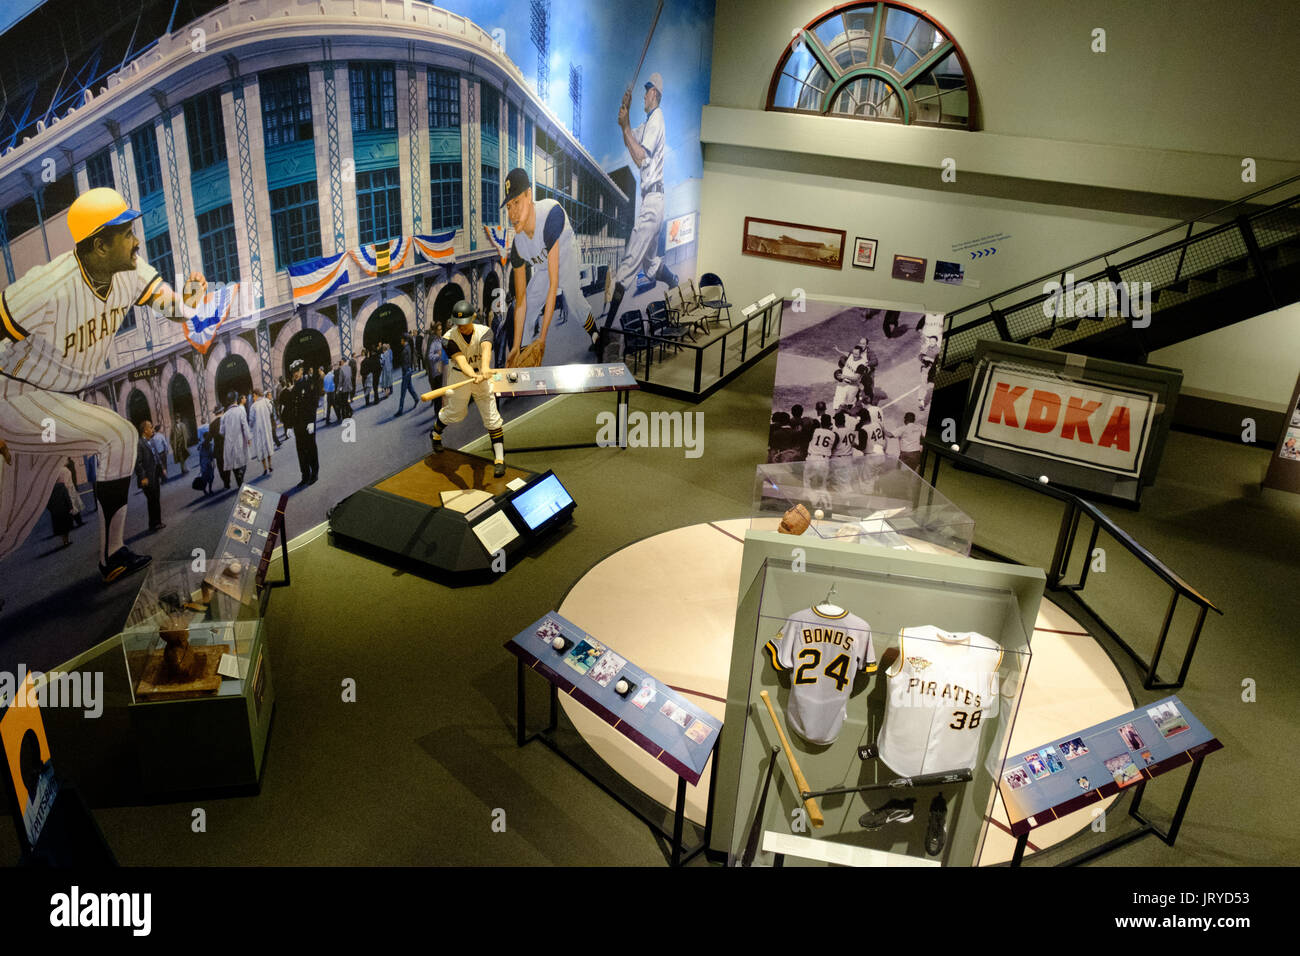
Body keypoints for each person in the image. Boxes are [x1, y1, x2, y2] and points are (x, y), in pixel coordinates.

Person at [0, 186, 206, 584]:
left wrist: (191, 299)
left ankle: (109, 554)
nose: (136, 240)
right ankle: (111, 556)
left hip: (57, 403)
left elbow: (172, 305)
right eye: (126, 232)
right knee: (118, 435)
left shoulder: (129, 272)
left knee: (10, 531)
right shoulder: (47, 286)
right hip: (15, 395)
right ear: (98, 244)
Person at [595, 72, 675, 347]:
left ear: (655, 93)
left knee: (629, 265)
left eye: (647, 90)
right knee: (649, 262)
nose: (644, 94)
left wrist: (627, 125)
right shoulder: (649, 122)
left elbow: (641, 155)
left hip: (652, 202)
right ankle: (674, 283)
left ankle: (604, 334)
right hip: (652, 200)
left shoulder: (658, 118)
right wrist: (625, 123)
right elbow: (633, 149)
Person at [500, 167, 594, 365]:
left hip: (566, 254)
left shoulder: (550, 214)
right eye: (509, 206)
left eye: (516, 202)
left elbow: (553, 286)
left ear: (529, 195)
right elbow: (521, 301)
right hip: (544, 267)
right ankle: (522, 364)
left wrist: (542, 338)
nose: (512, 212)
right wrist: (516, 345)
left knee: (573, 296)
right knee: (529, 307)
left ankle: (596, 336)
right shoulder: (518, 245)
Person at [427, 301, 506, 477]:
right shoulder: (448, 338)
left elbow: (486, 350)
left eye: (465, 323)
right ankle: (435, 434)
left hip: (482, 375)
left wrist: (485, 368)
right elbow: (462, 362)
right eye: (458, 324)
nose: (461, 327)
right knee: (456, 414)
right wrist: (473, 374)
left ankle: (500, 459)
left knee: (491, 416)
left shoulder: (485, 331)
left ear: (474, 318)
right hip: (460, 376)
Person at [284, 359, 320, 485]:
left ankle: (314, 472)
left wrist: (311, 421)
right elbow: (290, 409)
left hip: (308, 424)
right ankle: (305, 475)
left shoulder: (309, 383)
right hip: (298, 426)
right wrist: (288, 426)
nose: (295, 374)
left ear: (302, 370)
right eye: (293, 372)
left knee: (311, 449)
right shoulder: (293, 390)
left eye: (297, 371)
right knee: (301, 451)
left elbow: (313, 403)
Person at [134, 420, 166, 532]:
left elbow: (156, 456)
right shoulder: (139, 444)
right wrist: (143, 477)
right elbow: (138, 463)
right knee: (152, 500)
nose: (153, 430)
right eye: (150, 427)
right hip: (147, 478)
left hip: (155, 475)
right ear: (145, 430)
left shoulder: (151, 441)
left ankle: (157, 522)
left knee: (155, 499)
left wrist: (162, 468)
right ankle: (154, 524)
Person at [220, 392, 252, 487]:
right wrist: (248, 438)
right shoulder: (240, 411)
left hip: (229, 443)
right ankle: (241, 473)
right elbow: (245, 427)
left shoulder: (224, 416)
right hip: (240, 440)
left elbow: (221, 432)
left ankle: (239, 482)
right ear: (235, 399)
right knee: (244, 460)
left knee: (234, 463)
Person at [248, 388, 276, 475]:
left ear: (256, 395)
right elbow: (271, 410)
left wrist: (250, 427)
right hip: (267, 427)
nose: (253, 398)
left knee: (261, 448)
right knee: (268, 446)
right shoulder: (266, 401)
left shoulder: (253, 406)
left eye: (253, 396)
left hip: (258, 430)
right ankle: (270, 464)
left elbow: (251, 420)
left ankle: (265, 468)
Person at [394, 333, 422, 415]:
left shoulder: (405, 350)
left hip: (406, 372)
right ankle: (416, 398)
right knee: (410, 387)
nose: (400, 341)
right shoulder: (408, 347)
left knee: (403, 392)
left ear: (403, 340)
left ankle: (400, 410)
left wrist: (405, 372)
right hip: (408, 371)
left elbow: (405, 362)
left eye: (401, 340)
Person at [197, 431, 216, 496]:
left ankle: (208, 490)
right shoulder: (204, 445)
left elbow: (201, 455)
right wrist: (213, 461)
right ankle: (206, 490)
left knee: (210, 477)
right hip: (206, 463)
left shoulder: (204, 445)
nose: (210, 438)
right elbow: (211, 454)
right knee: (208, 477)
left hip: (205, 462)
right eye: (209, 437)